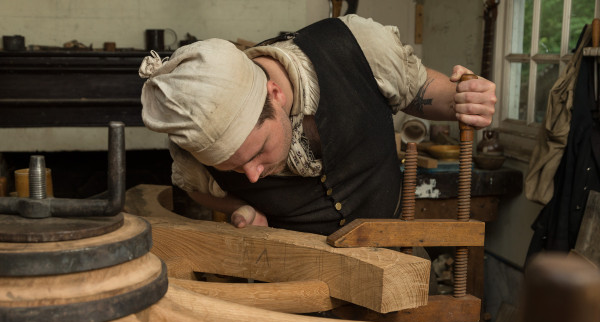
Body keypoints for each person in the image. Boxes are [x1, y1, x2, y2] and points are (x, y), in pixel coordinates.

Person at [139, 14, 496, 236]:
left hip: (396, 253)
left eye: (260, 151)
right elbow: (197, 188)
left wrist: (462, 98)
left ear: (274, 93)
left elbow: (419, 89)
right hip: (300, 283)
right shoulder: (192, 147)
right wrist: (240, 207)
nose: (251, 176)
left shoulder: (356, 46)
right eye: (231, 166)